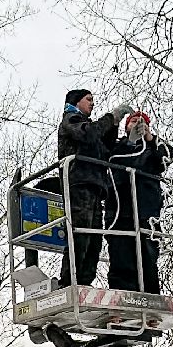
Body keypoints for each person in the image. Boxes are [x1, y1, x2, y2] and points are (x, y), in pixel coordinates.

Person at [57, 89, 132, 288]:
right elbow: (89, 134)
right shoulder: (71, 120)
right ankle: (69, 281)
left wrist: (114, 126)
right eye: (88, 99)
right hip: (79, 183)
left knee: (94, 239)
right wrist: (110, 117)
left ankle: (84, 280)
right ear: (76, 102)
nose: (92, 103)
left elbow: (105, 148)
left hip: (95, 186)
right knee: (80, 234)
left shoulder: (87, 126)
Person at [106, 111, 173, 293]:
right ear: (126, 126)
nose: (138, 124)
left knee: (148, 258)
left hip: (147, 212)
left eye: (142, 122)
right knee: (121, 257)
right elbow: (109, 157)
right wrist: (130, 143)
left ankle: (151, 298)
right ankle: (122, 297)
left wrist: (150, 138)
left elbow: (168, 157)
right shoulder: (116, 146)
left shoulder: (153, 149)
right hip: (120, 211)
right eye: (134, 121)